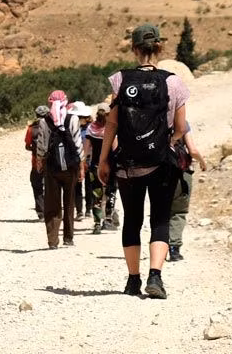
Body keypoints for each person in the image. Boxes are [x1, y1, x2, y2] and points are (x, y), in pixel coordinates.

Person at [99, 23, 190, 300]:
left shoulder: (120, 80)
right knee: (160, 218)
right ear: (160, 48)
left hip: (128, 164)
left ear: (135, 49)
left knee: (132, 220)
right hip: (161, 162)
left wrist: (104, 160)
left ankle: (132, 280)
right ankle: (156, 277)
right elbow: (181, 127)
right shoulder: (173, 82)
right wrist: (169, 143)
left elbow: (112, 125)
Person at [35, 90, 83, 249]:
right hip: (71, 167)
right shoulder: (73, 119)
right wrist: (81, 167)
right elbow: (77, 144)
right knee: (69, 202)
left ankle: (52, 240)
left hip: (52, 167)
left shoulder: (44, 122)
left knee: (52, 203)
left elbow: (41, 145)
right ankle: (68, 238)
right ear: (65, 101)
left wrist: (39, 162)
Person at [169, 126, 207, 261]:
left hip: (156, 174)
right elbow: (193, 150)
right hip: (180, 174)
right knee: (178, 212)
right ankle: (174, 249)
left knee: (160, 212)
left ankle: (157, 247)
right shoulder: (181, 123)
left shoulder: (151, 118)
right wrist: (203, 163)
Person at [84, 103, 109, 234]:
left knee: (96, 194)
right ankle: (108, 220)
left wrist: (84, 163)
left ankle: (97, 223)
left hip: (95, 166)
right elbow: (115, 148)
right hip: (109, 166)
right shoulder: (111, 129)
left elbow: (86, 150)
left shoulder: (90, 129)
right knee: (110, 192)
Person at [68, 101, 93, 220]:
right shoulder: (72, 128)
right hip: (77, 160)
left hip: (88, 160)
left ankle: (88, 209)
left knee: (89, 186)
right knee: (77, 186)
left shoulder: (90, 129)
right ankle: (79, 211)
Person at [24, 106, 49, 220]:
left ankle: (41, 212)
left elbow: (27, 145)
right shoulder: (51, 126)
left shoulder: (31, 129)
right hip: (50, 162)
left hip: (36, 162)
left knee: (37, 186)